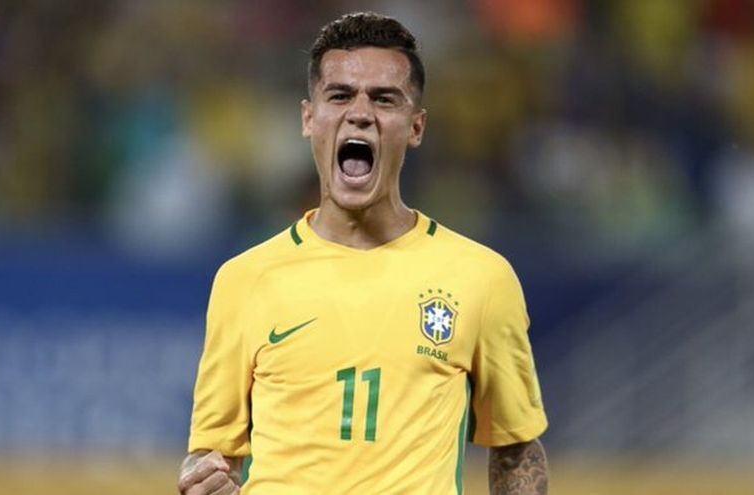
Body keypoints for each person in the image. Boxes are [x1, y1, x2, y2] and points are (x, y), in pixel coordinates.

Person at [177, 12, 548, 495]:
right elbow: (212, 454)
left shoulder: (482, 278)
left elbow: (516, 450)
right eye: (339, 95)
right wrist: (202, 482)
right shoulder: (244, 280)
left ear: (416, 126)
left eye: (384, 98)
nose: (360, 113)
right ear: (309, 118)